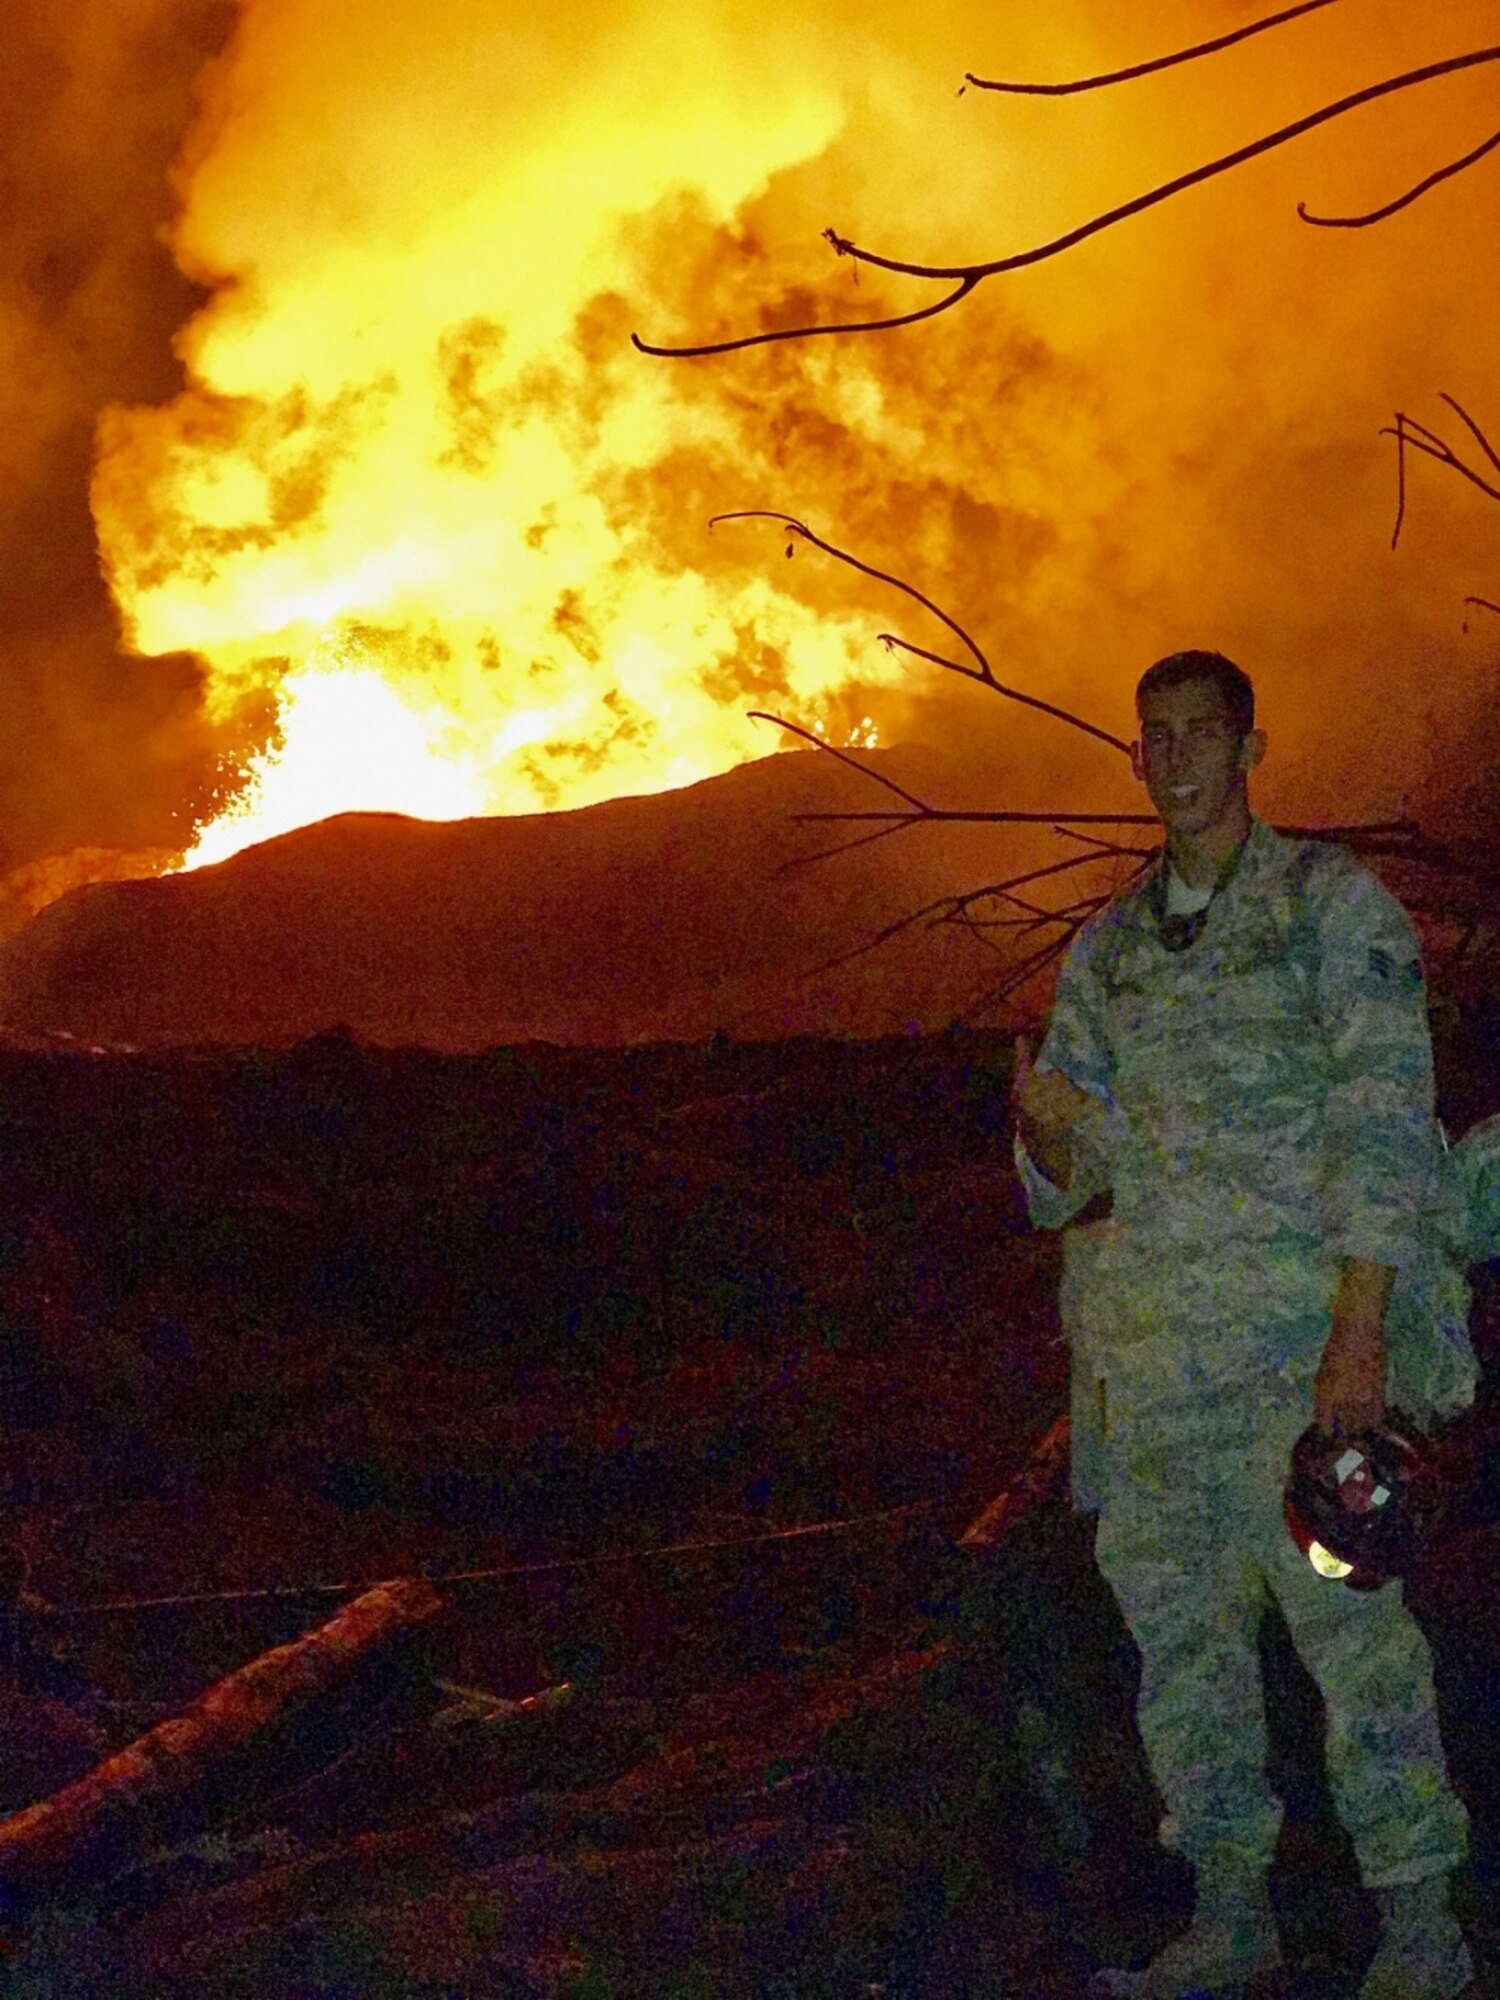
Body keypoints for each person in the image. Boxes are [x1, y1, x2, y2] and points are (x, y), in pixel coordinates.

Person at [1013, 650, 1481, 1997]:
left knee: (1357, 1638)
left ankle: (1420, 1929)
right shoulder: (1107, 954)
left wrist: (1360, 1333)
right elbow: (1074, 1180)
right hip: (1156, 1381)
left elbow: (1385, 1128)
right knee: (1182, 1655)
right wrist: (1046, 1143)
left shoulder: (1331, 909)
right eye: (1151, 738)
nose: (1171, 760)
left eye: (1197, 733)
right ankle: (1231, 1915)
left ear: (1250, 746)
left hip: (1299, 1367)